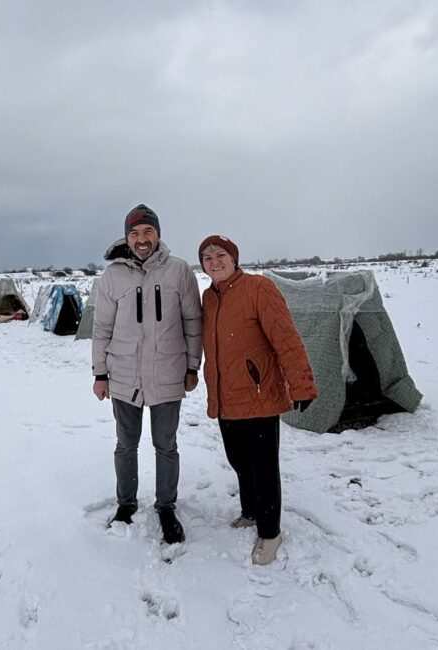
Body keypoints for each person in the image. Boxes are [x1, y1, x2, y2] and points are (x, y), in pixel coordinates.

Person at [198, 235, 317, 565]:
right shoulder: (209, 298)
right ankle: (250, 511)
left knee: (263, 467)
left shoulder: (258, 289)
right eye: (207, 258)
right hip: (225, 397)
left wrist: (302, 384)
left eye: (220, 255)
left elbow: (286, 338)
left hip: (259, 394)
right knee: (238, 460)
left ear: (234, 258)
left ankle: (270, 533)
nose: (214, 261)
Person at [92, 204, 203, 544]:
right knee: (126, 445)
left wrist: (191, 366)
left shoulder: (180, 272)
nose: (142, 239)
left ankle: (166, 507)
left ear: (158, 234)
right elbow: (101, 327)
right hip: (123, 374)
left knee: (165, 446)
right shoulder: (112, 276)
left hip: (168, 373)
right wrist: (100, 373)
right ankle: (126, 505)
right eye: (135, 233)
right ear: (127, 237)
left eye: (148, 231)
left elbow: (192, 323)